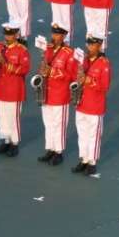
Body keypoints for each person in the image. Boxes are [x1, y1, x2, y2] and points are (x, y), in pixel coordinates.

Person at [36, 25, 78, 165]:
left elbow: (71, 75)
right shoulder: (47, 49)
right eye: (53, 33)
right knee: (48, 123)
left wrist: (52, 71)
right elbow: (42, 67)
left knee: (59, 124)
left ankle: (58, 152)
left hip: (60, 95)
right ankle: (50, 149)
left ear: (64, 36)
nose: (54, 36)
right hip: (46, 93)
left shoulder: (69, 53)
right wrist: (42, 71)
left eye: (57, 34)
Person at [71, 36, 111, 175]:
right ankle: (84, 160)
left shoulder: (104, 64)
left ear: (99, 46)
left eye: (92, 45)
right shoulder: (84, 60)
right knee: (82, 134)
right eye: (88, 44)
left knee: (93, 135)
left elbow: (105, 86)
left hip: (95, 106)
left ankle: (92, 163)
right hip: (81, 103)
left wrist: (88, 80)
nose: (89, 47)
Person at [0, 24, 31, 157]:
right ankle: (6, 141)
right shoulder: (0, 47)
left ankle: (14, 143)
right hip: (1, 88)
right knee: (2, 117)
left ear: (16, 35)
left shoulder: (22, 50)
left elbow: (24, 69)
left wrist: (6, 64)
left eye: (10, 35)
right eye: (6, 34)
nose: (7, 37)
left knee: (13, 118)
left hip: (14, 90)